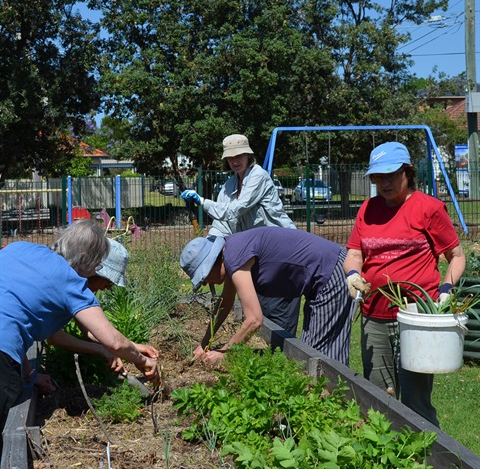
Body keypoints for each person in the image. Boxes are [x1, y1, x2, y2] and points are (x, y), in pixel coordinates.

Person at [0, 220, 161, 454]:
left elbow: (16, 316)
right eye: (97, 265)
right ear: (85, 258)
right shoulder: (70, 282)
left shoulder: (21, 248)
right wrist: (143, 361)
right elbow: (112, 340)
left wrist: (27, 373)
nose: (97, 273)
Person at [343, 141, 465, 427]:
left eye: (391, 175)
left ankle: (426, 455)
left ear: (407, 173)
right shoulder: (367, 209)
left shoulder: (429, 208)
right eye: (378, 176)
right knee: (376, 397)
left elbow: (456, 256)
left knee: (415, 400)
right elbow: (354, 252)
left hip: (415, 318)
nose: (384, 183)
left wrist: (445, 290)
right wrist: (352, 273)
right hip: (375, 315)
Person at [180, 134, 301, 336]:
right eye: (230, 157)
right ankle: (273, 358)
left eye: (240, 156)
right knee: (263, 313)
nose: (235, 161)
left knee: (279, 315)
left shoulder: (258, 177)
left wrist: (202, 201)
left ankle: (287, 359)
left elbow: (236, 210)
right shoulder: (229, 186)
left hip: (284, 251)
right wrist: (206, 253)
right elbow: (222, 226)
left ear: (248, 155)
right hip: (260, 255)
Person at [180, 226, 354, 365]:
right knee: (313, 354)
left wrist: (226, 353)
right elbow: (225, 303)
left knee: (322, 359)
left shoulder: (234, 257)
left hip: (331, 272)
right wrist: (204, 344)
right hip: (323, 275)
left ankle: (341, 405)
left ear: (212, 264)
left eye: (203, 277)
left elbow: (254, 320)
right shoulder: (230, 251)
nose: (204, 283)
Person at [29, 238, 159, 395]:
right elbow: (55, 337)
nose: (109, 287)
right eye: (109, 280)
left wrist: (133, 347)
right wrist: (137, 358)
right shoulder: (67, 285)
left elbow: (91, 331)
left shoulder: (70, 281)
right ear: (94, 270)